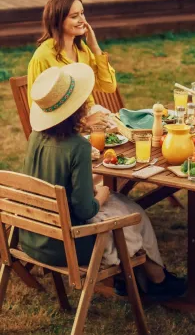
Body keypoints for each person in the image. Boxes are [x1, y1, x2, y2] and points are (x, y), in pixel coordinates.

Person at [21, 63, 186, 299]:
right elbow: (85, 209)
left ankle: (138, 279)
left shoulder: (36, 137)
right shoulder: (77, 146)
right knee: (133, 213)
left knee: (126, 207)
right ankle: (156, 280)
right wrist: (102, 195)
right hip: (67, 246)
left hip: (34, 236)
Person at [27, 0, 117, 129]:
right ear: (57, 21)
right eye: (74, 16)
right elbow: (39, 113)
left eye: (82, 13)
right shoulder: (42, 57)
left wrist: (95, 47)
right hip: (63, 130)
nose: (82, 20)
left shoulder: (82, 50)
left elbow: (108, 86)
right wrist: (84, 122)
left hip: (92, 118)